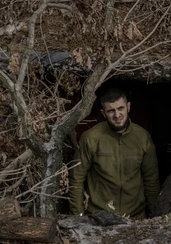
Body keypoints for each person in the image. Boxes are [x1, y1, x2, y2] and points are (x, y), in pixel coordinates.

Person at [69, 88, 160, 218]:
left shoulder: (142, 137)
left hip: (135, 216)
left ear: (128, 107)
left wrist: (155, 215)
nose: (117, 115)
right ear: (103, 113)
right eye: (111, 111)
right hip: (98, 216)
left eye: (120, 108)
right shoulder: (91, 138)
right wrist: (78, 216)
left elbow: (151, 180)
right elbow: (76, 179)